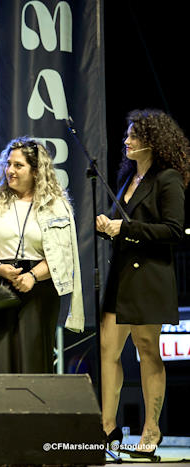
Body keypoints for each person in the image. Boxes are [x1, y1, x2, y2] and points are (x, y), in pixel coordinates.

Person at [96, 109, 189, 458]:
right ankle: (107, 427)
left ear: (153, 141)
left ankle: (152, 427)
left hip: (149, 276)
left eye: (133, 136)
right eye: (128, 135)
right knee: (107, 353)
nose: (127, 141)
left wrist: (126, 229)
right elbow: (125, 224)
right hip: (120, 276)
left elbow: (174, 230)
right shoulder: (127, 178)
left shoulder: (168, 179)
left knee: (148, 351)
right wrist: (108, 227)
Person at [0, 137, 84, 373]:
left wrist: (33, 277)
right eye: (8, 164)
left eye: (18, 165)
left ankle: (34, 410)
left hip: (39, 289)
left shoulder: (56, 205)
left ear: (36, 171)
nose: (10, 170)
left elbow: (62, 257)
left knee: (34, 362)